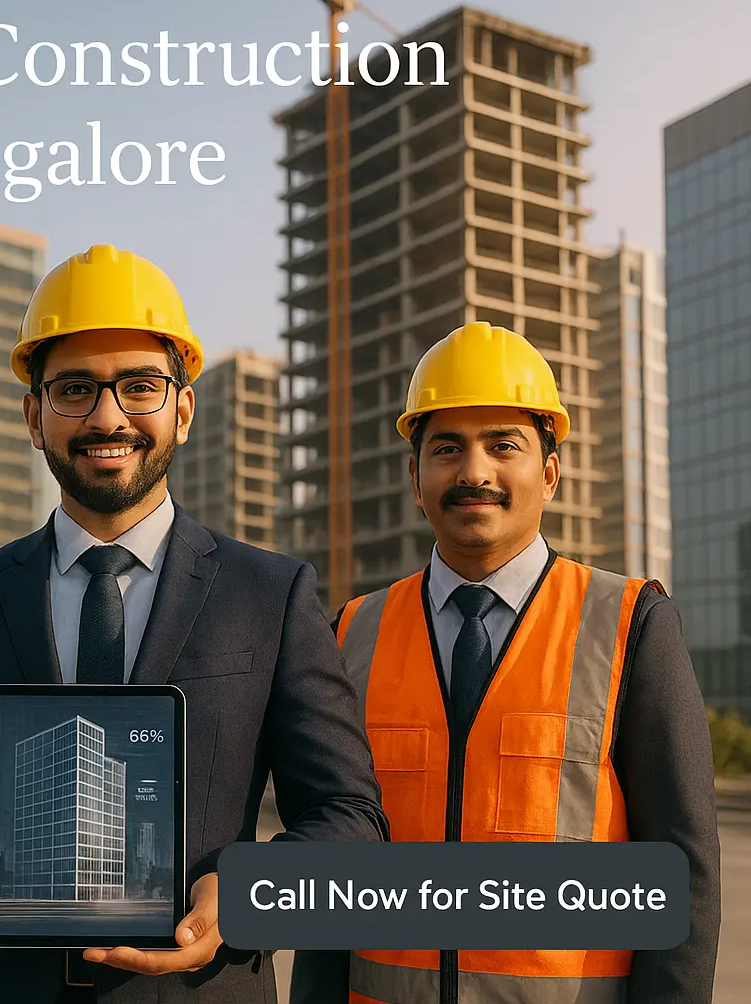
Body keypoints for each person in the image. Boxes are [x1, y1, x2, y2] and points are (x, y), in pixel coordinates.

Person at [0, 243, 389, 1004]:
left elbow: (350, 815)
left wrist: (246, 895)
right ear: (34, 416)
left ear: (183, 409)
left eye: (140, 387)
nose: (108, 417)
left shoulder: (270, 594)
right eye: (75, 389)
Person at [289, 321, 722, 1003]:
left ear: (549, 471)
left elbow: (682, 866)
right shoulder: (350, 633)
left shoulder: (630, 623)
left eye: (503, 446)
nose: (474, 472)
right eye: (447, 449)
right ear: (414, 476)